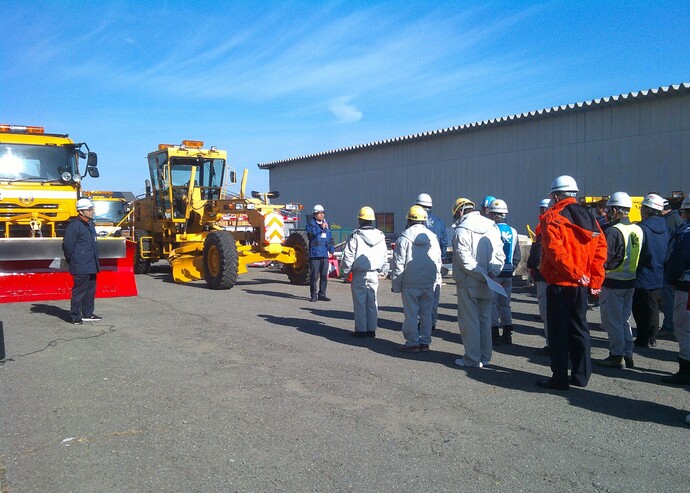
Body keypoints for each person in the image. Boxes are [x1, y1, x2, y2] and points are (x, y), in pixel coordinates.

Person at [537, 175, 606, 390]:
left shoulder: (552, 217)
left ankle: (559, 378)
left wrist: (575, 273)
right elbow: (600, 251)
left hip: (561, 284)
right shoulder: (590, 217)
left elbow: (554, 252)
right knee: (579, 329)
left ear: (556, 195)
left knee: (558, 333)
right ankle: (581, 376)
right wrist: (594, 280)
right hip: (581, 285)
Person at [451, 198, 505, 367]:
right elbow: (499, 255)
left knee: (470, 322)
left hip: (468, 282)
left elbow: (464, 260)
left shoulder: (461, 230)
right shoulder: (492, 226)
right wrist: (491, 273)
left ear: (459, 212)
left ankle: (472, 359)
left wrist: (481, 274)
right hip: (488, 282)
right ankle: (485, 357)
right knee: (485, 319)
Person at [596, 192, 644, 369]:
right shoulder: (638, 229)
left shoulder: (613, 231)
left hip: (613, 281)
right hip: (630, 280)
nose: (608, 213)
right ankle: (627, 353)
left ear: (615, 209)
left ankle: (616, 355)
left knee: (612, 321)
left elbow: (605, 258)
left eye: (609, 210)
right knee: (624, 320)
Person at [391, 206, 442, 352]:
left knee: (411, 313)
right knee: (426, 313)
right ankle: (425, 342)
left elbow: (398, 265)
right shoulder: (432, 237)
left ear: (409, 219)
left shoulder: (404, 238)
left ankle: (412, 342)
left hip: (410, 282)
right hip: (428, 281)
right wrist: (435, 279)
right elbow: (438, 260)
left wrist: (396, 285)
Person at [340, 206, 388, 338]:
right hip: (374, 273)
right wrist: (383, 270)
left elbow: (349, 255)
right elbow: (385, 254)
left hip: (359, 273)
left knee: (360, 302)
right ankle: (372, 329)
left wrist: (345, 272)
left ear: (360, 220)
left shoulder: (356, 235)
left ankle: (361, 330)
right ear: (372, 220)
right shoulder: (380, 236)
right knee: (372, 301)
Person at [632, 194, 669, 348]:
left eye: (642, 208)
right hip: (658, 273)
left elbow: (637, 252)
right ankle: (652, 337)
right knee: (653, 307)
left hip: (642, 275)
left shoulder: (642, 228)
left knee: (640, 309)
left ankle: (643, 338)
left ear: (647, 209)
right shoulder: (665, 226)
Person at [661, 196, 690, 385]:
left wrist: (671, 278)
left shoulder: (687, 233)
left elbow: (678, 259)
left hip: (686, 288)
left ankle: (686, 370)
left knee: (684, 329)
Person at [62, 198, 102, 325]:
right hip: (81, 264)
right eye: (89, 209)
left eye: (92, 209)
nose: (91, 211)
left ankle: (88, 314)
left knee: (90, 290)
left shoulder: (90, 225)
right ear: (81, 211)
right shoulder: (74, 226)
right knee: (79, 291)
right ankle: (75, 315)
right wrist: (73, 260)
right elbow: (68, 246)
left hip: (91, 264)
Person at [488, 199, 521, 345]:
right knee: (505, 304)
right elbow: (517, 255)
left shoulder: (491, 230)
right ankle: (507, 333)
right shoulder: (513, 231)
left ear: (494, 215)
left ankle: (494, 333)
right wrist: (511, 268)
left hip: (494, 273)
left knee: (492, 304)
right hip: (508, 273)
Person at [415, 193, 447, 330]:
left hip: (417, 264)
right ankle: (431, 321)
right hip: (436, 262)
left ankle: (419, 321)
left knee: (418, 295)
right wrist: (441, 257)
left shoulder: (415, 221)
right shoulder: (439, 222)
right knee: (434, 294)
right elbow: (444, 242)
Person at [527, 198, 551, 354]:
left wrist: (532, 266)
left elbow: (538, 249)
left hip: (545, 275)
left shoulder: (545, 225)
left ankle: (552, 344)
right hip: (553, 275)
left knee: (547, 311)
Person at [660, 198, 684, 337]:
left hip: (669, 265)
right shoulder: (676, 219)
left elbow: (665, 244)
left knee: (668, 299)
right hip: (675, 265)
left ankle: (669, 326)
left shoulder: (669, 221)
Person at [306, 204, 334, 302]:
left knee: (324, 275)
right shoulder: (310, 224)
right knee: (314, 276)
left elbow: (329, 238)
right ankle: (313, 295)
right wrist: (320, 228)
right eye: (319, 213)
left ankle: (322, 294)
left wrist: (331, 250)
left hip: (324, 254)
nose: (321, 215)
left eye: (322, 213)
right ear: (315, 214)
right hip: (315, 254)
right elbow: (311, 234)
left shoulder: (326, 224)